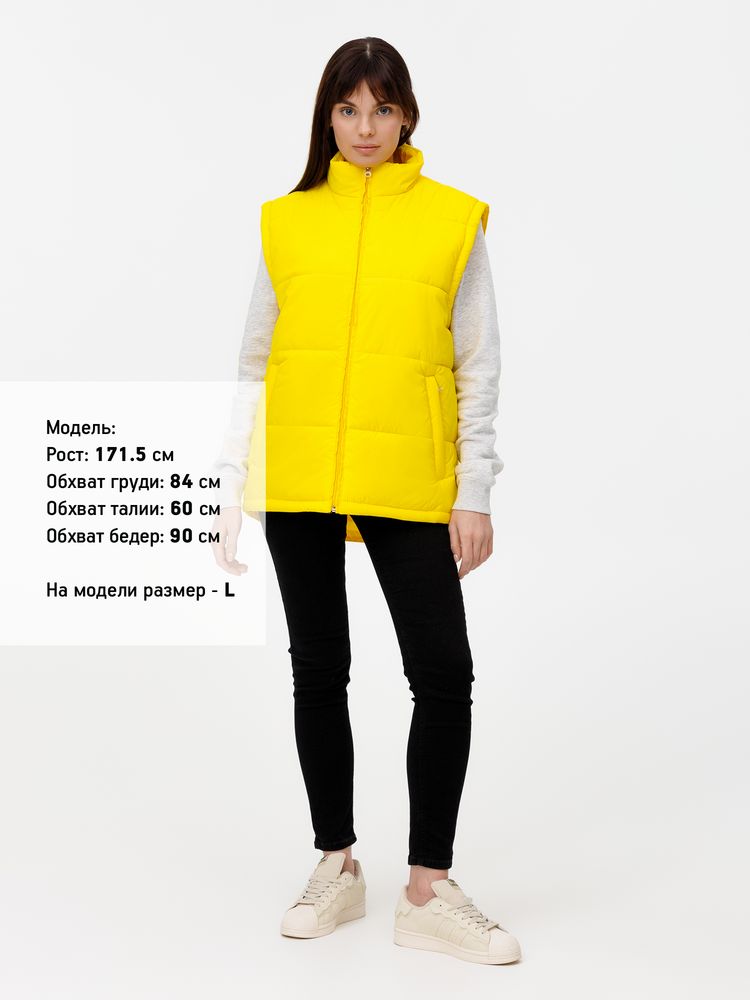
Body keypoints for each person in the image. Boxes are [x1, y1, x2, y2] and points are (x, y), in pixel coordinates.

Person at [211, 37, 521, 966]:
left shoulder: (452, 220)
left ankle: (428, 888)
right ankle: (336, 862)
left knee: (444, 672)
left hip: (409, 478)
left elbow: (478, 365)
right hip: (300, 473)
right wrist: (231, 480)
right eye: (348, 109)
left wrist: (473, 489)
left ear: (407, 115)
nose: (365, 127)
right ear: (327, 117)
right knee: (320, 670)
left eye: (382, 109)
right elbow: (256, 358)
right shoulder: (287, 221)